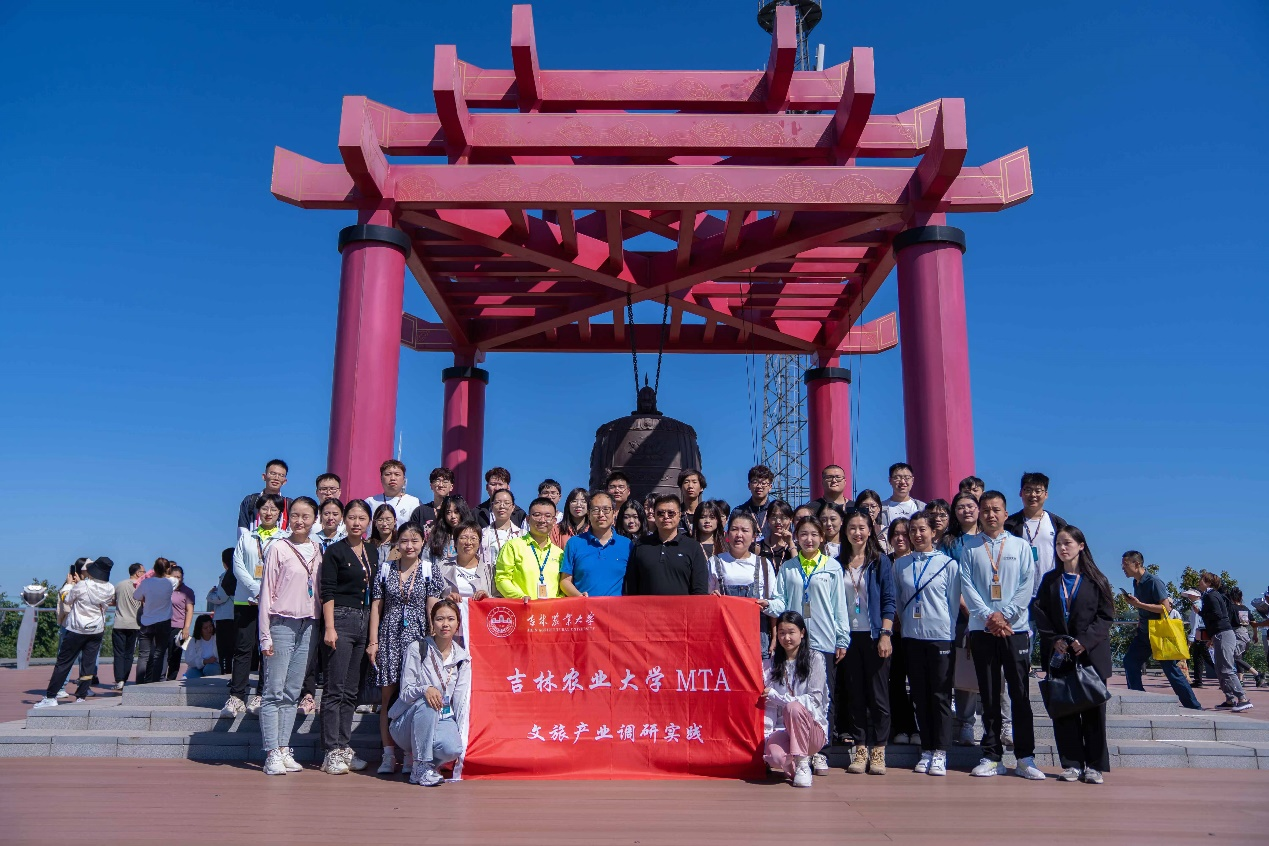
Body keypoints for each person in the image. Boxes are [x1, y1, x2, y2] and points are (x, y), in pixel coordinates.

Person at [960, 491, 1043, 779]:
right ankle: (992, 756)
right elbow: (967, 586)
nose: (991, 514)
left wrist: (1005, 615)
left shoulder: (1020, 546)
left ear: (1006, 514)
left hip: (1014, 628)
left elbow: (1027, 584)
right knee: (989, 694)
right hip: (982, 629)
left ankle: (1025, 758)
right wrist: (988, 616)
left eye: (996, 509)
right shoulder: (970, 548)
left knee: (1020, 694)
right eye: (985, 510)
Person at [761, 516, 849, 775]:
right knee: (795, 692)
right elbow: (781, 601)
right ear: (796, 537)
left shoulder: (832, 567)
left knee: (822, 697)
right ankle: (798, 750)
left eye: (813, 534)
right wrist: (766, 605)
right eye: (803, 534)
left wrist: (842, 638)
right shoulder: (789, 567)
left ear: (822, 537)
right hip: (793, 641)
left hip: (823, 639)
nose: (808, 539)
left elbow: (839, 605)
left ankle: (821, 752)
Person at [1030, 525, 1113, 783]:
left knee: (1093, 713)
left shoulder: (1097, 580)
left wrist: (1085, 641)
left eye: (1067, 543)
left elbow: (1106, 616)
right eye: (1058, 544)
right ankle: (1072, 764)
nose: (1062, 548)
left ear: (1081, 546)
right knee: (1064, 711)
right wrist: (1054, 639)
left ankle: (1095, 766)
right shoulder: (1050, 580)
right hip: (1060, 656)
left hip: (1091, 656)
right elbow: (1040, 613)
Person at [370, 521, 444, 774]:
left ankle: (411, 755)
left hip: (417, 640)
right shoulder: (385, 569)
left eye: (414, 540)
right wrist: (373, 641)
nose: (409, 546)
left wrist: (433, 642)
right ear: (397, 544)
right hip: (389, 637)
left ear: (423, 542)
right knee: (388, 698)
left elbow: (432, 607)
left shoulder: (429, 570)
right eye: (404, 541)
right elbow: (377, 607)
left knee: (414, 696)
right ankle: (388, 754)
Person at [256, 497, 323, 775]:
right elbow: (265, 592)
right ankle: (271, 751)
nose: (299, 521)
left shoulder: (318, 549)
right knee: (274, 691)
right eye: (295, 515)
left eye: (306, 516)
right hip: (281, 624)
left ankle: (284, 748)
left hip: (309, 625)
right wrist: (264, 635)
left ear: (314, 519)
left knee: (292, 692)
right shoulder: (278, 548)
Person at [894, 513, 960, 776]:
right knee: (919, 695)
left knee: (940, 696)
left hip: (940, 636)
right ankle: (927, 749)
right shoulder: (901, 565)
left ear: (934, 532)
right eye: (913, 530)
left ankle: (941, 751)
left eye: (922, 529)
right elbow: (899, 601)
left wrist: (947, 630)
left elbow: (952, 603)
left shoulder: (948, 564)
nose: (917, 535)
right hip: (912, 637)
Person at [388, 600, 471, 786]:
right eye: (440, 619)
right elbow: (405, 692)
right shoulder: (418, 648)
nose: (445, 624)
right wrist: (425, 689)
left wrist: (459, 734)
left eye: (451, 619)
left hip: (442, 718)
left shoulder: (462, 659)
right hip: (406, 722)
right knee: (428, 702)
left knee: (452, 748)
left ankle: (427, 764)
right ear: (432, 622)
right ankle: (420, 766)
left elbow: (460, 701)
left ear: (458, 623)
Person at [838, 508, 896, 775]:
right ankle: (860, 748)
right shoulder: (837, 563)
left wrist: (885, 634)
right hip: (848, 637)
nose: (857, 533)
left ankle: (879, 749)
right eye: (852, 527)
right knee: (855, 694)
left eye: (862, 527)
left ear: (870, 530)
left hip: (874, 636)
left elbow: (889, 601)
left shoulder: (880, 562)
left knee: (879, 696)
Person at [319, 498, 374, 775]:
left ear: (368, 522)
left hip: (364, 620)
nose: (356, 523)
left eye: (362, 518)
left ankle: (343, 745)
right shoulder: (335, 551)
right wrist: (330, 627)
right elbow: (327, 590)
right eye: (351, 517)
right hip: (340, 618)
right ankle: (331, 751)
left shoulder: (371, 551)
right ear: (344, 520)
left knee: (352, 690)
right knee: (335, 688)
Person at [222, 493, 286, 716]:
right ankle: (236, 696)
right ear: (258, 512)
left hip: (273, 602)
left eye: (273, 509)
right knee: (243, 648)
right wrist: (256, 589)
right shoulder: (247, 537)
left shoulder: (284, 539)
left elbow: (284, 570)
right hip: (245, 599)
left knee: (266, 649)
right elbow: (237, 566)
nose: (268, 513)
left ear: (280, 514)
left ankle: (260, 695)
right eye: (264, 508)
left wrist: (266, 593)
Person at [1120, 551, 1203, 709]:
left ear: (1137, 564)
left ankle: (1193, 706)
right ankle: (1138, 698)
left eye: (1125, 564)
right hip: (1144, 633)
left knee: (1171, 670)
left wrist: (1138, 604)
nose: (1123, 568)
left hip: (1159, 633)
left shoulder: (1154, 581)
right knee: (1130, 661)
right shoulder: (1136, 583)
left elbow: (1166, 608)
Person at [35, 558, 115, 708]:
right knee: (88, 664)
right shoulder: (110, 588)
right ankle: (81, 696)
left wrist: (69, 585)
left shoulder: (83, 585)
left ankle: (51, 696)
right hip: (97, 630)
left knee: (64, 663)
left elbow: (67, 599)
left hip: (77, 629)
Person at [762, 611, 829, 788]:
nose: (786, 638)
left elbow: (814, 700)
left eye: (791, 632)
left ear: (802, 633)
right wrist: (767, 734)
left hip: (812, 731)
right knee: (775, 757)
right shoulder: (771, 664)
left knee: (793, 707)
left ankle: (802, 764)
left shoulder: (815, 659)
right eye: (782, 633)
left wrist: (777, 697)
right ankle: (792, 767)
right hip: (784, 730)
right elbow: (769, 705)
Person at [709, 512, 777, 652]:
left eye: (745, 530)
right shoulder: (715, 562)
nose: (739, 535)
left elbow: (775, 603)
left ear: (753, 537)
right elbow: (704, 599)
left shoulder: (764, 564)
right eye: (734, 529)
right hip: (724, 636)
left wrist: (775, 637)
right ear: (727, 534)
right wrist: (711, 598)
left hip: (757, 635)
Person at [624, 495, 710, 596]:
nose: (666, 517)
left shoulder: (693, 547)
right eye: (660, 513)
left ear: (679, 515)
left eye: (671, 513)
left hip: (682, 606)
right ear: (654, 516)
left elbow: (700, 590)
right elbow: (631, 588)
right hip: (647, 606)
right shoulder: (641, 546)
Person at [1004, 472, 1068, 595]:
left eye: (1038, 491)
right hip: (1019, 592)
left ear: (1046, 494)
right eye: (1028, 490)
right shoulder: (1009, 525)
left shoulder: (1058, 523)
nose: (1033, 495)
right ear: (1020, 493)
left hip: (1052, 590)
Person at [1197, 572, 1253, 711]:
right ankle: (1229, 699)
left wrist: (1201, 612)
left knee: (1226, 669)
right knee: (1220, 669)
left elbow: (1217, 614)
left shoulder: (1210, 596)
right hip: (1220, 634)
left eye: (1202, 579)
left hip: (1223, 634)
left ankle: (1242, 698)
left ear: (1208, 582)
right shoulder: (1213, 595)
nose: (1199, 581)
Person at [885, 518, 918, 744]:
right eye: (895, 534)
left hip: (916, 630)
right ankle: (901, 728)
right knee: (895, 680)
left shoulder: (919, 561)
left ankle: (916, 728)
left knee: (916, 680)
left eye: (904, 534)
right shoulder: (884, 562)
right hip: (891, 631)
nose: (900, 538)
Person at [561, 491, 632, 598]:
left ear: (614, 513)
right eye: (595, 510)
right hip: (584, 607)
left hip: (616, 608)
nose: (601, 514)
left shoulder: (627, 545)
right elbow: (565, 581)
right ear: (588, 514)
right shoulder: (574, 543)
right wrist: (579, 596)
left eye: (606, 509)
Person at [495, 497, 566, 599]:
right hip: (522, 606)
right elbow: (502, 579)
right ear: (528, 519)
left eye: (548, 516)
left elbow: (563, 585)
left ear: (554, 521)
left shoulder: (560, 553)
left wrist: (557, 601)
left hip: (551, 608)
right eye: (537, 515)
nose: (542, 520)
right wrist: (520, 597)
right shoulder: (512, 546)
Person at [134, 559, 175, 685]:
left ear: (154, 569)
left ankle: (139, 683)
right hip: (164, 622)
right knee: (159, 654)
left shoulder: (146, 582)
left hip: (147, 621)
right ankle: (155, 683)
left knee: (143, 655)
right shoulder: (171, 582)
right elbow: (172, 578)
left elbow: (136, 596)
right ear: (168, 569)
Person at [110, 562, 145, 690]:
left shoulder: (119, 585)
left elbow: (112, 601)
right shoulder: (141, 586)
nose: (145, 574)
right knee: (129, 654)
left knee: (118, 653)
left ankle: (119, 680)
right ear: (138, 573)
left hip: (119, 623)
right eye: (143, 572)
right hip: (134, 624)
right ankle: (124, 679)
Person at [441, 521, 495, 602]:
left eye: (473, 538)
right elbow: (432, 599)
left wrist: (488, 598)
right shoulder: (442, 567)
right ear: (455, 542)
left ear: (479, 543)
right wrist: (446, 600)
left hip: (478, 610)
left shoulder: (489, 570)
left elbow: (499, 600)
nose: (468, 542)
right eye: (463, 538)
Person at [238, 459, 291, 532]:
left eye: (281, 475)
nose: (276, 478)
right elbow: (242, 530)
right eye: (273, 473)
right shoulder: (250, 501)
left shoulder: (289, 504)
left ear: (285, 481)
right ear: (264, 477)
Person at [368, 459, 422, 527]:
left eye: (397, 474)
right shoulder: (370, 502)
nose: (392, 478)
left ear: (404, 480)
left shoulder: (414, 502)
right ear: (381, 478)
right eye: (388, 474)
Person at [480, 489, 524, 569]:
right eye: (497, 502)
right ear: (492, 506)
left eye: (506, 503)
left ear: (513, 507)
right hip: (488, 575)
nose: (502, 506)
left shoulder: (522, 535)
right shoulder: (482, 533)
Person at [166, 565, 196, 681]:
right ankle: (159, 678)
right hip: (164, 625)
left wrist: (186, 628)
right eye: (174, 577)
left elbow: (189, 610)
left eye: (179, 577)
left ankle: (171, 679)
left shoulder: (187, 591)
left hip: (178, 627)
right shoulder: (165, 589)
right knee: (162, 654)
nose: (177, 579)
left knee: (174, 656)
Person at [428, 495, 474, 570]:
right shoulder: (435, 536)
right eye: (448, 512)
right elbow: (426, 561)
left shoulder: (472, 537)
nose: (453, 516)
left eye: (456, 512)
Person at [1228, 589, 1263, 687]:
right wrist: (1255, 635)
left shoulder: (1231, 608)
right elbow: (1253, 623)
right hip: (1245, 634)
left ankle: (1257, 674)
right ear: (1241, 597)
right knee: (1239, 657)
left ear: (1231, 597)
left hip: (1236, 634)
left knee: (1236, 657)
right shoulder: (1245, 608)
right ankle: (1240, 680)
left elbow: (1227, 622)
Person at [732, 465, 775, 540]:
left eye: (763, 483)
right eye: (755, 482)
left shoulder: (775, 512)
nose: (759, 486)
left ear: (770, 487)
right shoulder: (739, 512)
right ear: (749, 486)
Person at [409, 467, 456, 532]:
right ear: (431, 486)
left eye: (445, 481)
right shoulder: (420, 512)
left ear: (451, 487)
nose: (441, 485)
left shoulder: (457, 511)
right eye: (437, 481)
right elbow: (412, 534)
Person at [881, 463, 925, 530]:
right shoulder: (880, 509)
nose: (902, 482)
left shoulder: (922, 508)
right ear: (890, 480)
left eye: (907, 478)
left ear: (912, 480)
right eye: (897, 478)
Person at [760, 499, 796, 569]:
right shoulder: (759, 547)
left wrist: (790, 543)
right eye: (774, 517)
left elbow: (798, 569)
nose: (778, 521)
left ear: (791, 519)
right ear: (768, 519)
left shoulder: (797, 546)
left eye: (783, 517)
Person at [182, 615, 220, 679]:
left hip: (213, 666)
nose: (209, 629)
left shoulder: (217, 638)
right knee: (190, 675)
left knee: (209, 669)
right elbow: (189, 660)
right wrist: (204, 661)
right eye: (205, 628)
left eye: (210, 626)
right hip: (197, 668)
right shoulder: (193, 641)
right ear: (200, 629)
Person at [855, 490, 889, 554]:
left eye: (873, 506)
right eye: (865, 506)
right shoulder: (852, 530)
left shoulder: (886, 531)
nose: (869, 510)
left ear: (879, 509)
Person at [370, 504, 400, 569]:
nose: (384, 524)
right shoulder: (367, 544)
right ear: (375, 523)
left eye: (388, 519)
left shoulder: (400, 545)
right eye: (380, 520)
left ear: (395, 521)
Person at [678, 469, 707, 535]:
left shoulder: (706, 513)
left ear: (701, 488)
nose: (690, 486)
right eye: (686, 482)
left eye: (694, 482)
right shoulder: (675, 514)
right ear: (681, 487)